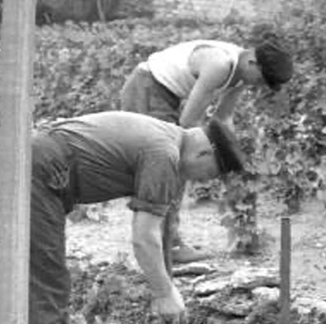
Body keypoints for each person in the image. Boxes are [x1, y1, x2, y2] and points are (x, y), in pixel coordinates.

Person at [0, 111, 245, 324]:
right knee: (44, 282)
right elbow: (144, 238)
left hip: (18, 161)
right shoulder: (164, 156)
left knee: (40, 278)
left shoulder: (165, 137)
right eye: (208, 173)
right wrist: (164, 293)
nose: (200, 181)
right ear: (204, 151)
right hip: (30, 172)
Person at [119, 37, 293, 261]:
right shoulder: (219, 65)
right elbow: (187, 124)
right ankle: (162, 246)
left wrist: (234, 153)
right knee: (166, 164)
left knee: (173, 166)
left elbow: (223, 118)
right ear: (252, 61)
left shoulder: (240, 77)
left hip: (165, 94)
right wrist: (209, 155)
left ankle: (167, 241)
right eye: (261, 79)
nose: (258, 85)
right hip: (146, 88)